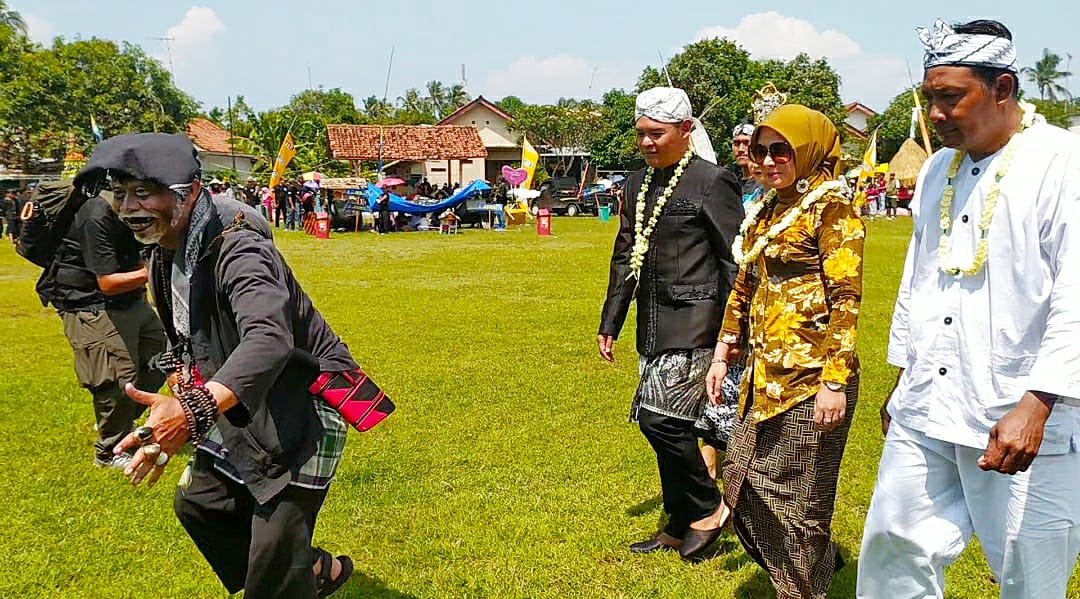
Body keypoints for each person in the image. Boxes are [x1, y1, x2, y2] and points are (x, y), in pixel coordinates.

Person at [76, 132, 355, 598]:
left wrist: (191, 412)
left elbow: (269, 338)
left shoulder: (239, 247)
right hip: (241, 401)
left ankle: (284, 572)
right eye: (119, 193)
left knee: (272, 561)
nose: (127, 207)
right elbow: (184, 336)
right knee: (200, 503)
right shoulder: (164, 249)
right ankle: (307, 568)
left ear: (187, 193)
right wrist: (180, 387)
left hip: (301, 406)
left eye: (142, 192)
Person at [857, 19, 1080, 599]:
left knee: (1028, 570)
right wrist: (902, 380)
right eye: (929, 97)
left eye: (950, 97)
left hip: (1022, 407)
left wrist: (1037, 403)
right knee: (893, 544)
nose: (935, 113)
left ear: (1002, 88)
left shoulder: (1063, 162)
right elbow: (918, 280)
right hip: (929, 401)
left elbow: (1075, 293)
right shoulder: (938, 168)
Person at [708, 103, 863, 598]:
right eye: (761, 150)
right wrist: (724, 349)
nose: (769, 160)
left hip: (813, 380)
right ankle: (811, 567)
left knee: (800, 501)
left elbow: (846, 300)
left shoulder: (832, 209)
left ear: (809, 150)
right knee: (743, 481)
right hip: (764, 374)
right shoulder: (769, 208)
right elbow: (745, 284)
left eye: (782, 150)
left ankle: (800, 589)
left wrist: (834, 381)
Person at [598, 86, 743, 561]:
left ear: (685, 130)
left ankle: (708, 507)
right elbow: (625, 255)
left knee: (659, 420)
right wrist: (611, 320)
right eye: (641, 133)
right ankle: (679, 525)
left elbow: (733, 260)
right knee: (668, 425)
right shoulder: (636, 184)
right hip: (652, 322)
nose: (646, 142)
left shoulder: (713, 181)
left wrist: (734, 332)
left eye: (656, 134)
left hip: (698, 322)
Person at [34, 181, 168, 468]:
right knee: (117, 378)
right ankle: (109, 452)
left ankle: (120, 424)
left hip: (130, 300)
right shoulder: (96, 215)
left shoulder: (133, 212)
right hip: (90, 304)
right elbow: (107, 282)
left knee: (160, 359)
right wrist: (154, 271)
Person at [730, 121, 763, 205]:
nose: (740, 149)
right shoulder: (731, 185)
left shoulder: (765, 183)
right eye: (736, 143)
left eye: (746, 143)